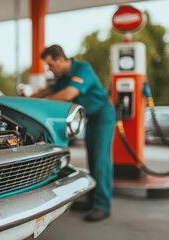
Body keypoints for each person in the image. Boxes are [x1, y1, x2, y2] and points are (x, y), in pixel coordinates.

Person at [30, 45, 116, 222]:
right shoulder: (64, 77)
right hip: (90, 117)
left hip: (103, 115)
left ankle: (103, 205)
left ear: (61, 59)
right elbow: (46, 91)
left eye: (50, 64)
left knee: (101, 160)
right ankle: (92, 200)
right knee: (92, 158)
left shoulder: (83, 69)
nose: (49, 69)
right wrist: (26, 100)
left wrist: (41, 103)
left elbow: (68, 94)